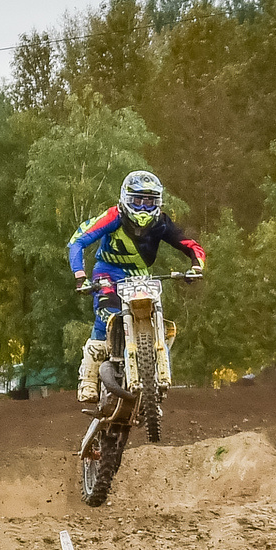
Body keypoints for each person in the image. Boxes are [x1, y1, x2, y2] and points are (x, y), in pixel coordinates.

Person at [66, 169, 206, 406]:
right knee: (107, 315)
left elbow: (191, 245)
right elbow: (77, 241)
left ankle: (155, 372)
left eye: (149, 201)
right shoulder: (113, 216)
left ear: (158, 202)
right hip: (108, 272)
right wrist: (81, 276)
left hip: (142, 276)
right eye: (137, 201)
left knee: (154, 316)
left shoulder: (161, 223)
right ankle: (88, 379)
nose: (143, 208)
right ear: (125, 199)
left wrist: (196, 266)